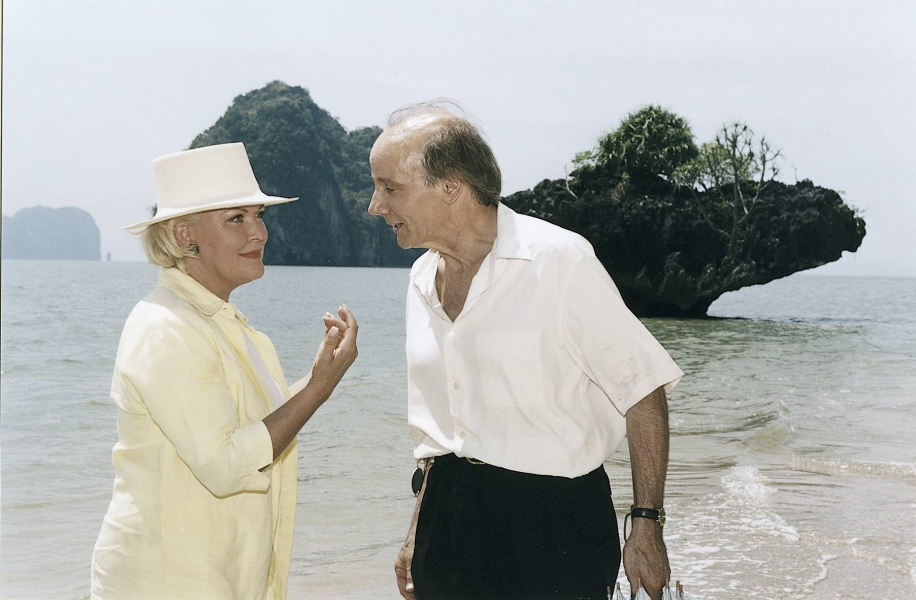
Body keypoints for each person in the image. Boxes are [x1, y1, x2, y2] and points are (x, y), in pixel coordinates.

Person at [367, 103, 683, 600]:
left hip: (554, 522)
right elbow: (439, 434)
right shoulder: (421, 279)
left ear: (450, 186)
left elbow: (643, 392)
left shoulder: (558, 261)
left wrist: (647, 523)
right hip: (447, 517)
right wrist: (416, 532)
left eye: (390, 188)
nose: (375, 206)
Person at [91, 142, 358, 599]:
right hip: (167, 583)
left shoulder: (214, 320)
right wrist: (318, 389)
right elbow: (226, 465)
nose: (259, 233)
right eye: (237, 218)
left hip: (208, 576)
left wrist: (321, 375)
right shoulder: (167, 327)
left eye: (259, 215)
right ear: (183, 236)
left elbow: (256, 427)